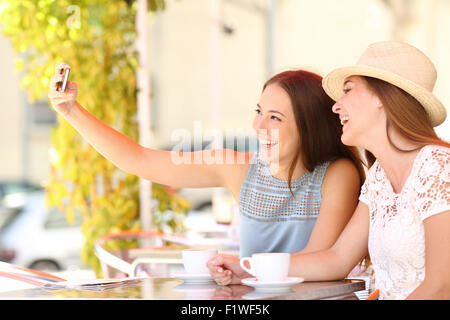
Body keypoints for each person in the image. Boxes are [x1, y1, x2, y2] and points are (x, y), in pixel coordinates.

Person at [48, 66, 366, 280]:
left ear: (309, 127)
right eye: (258, 112)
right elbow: (139, 160)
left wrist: (244, 267)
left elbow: (320, 260)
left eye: (275, 117)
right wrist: (72, 111)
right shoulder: (239, 168)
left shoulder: (337, 174)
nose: (259, 126)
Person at [210, 41, 450, 300]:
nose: (336, 106)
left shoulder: (438, 166)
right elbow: (337, 259)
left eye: (348, 90)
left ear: (381, 97)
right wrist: (248, 269)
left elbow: (441, 285)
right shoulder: (379, 176)